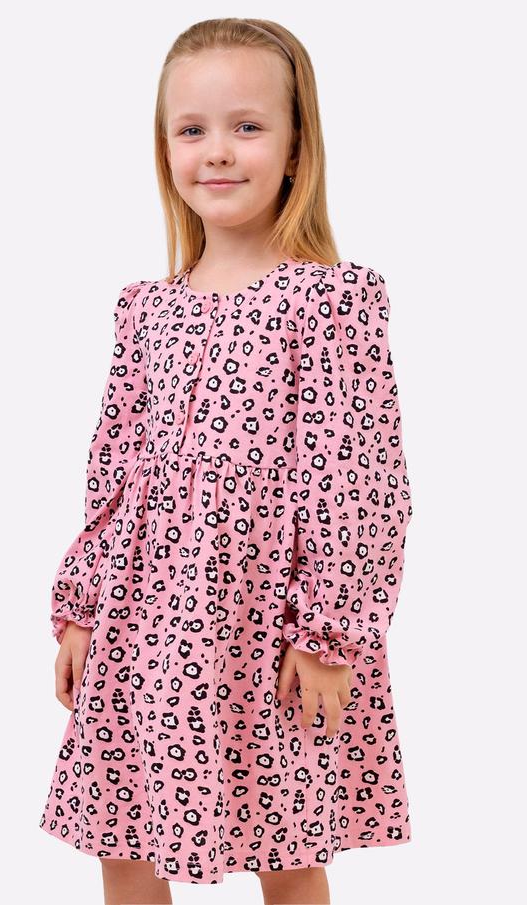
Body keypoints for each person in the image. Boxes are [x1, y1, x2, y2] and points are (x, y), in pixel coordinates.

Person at [39, 17, 414, 905]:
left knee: (287, 839)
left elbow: (360, 482)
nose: (216, 151)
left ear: (295, 147)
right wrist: (82, 605)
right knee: (122, 832)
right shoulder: (146, 308)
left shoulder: (329, 300)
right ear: (164, 146)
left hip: (267, 616)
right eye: (192, 129)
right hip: (142, 614)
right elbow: (113, 470)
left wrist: (332, 634)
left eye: (247, 126)